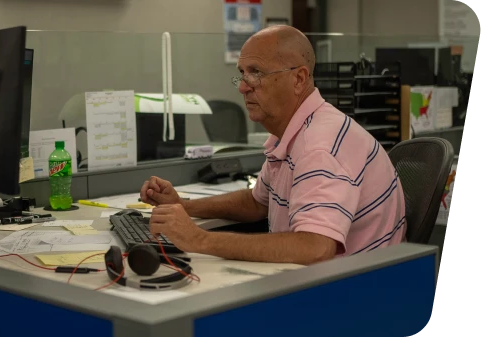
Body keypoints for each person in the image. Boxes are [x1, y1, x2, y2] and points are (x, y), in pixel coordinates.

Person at [140, 25, 406, 265]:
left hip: (354, 297)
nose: (243, 88)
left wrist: (198, 240)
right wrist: (184, 206)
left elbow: (314, 247)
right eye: (242, 74)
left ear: (299, 79)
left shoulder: (318, 148)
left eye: (255, 73)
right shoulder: (293, 132)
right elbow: (257, 203)